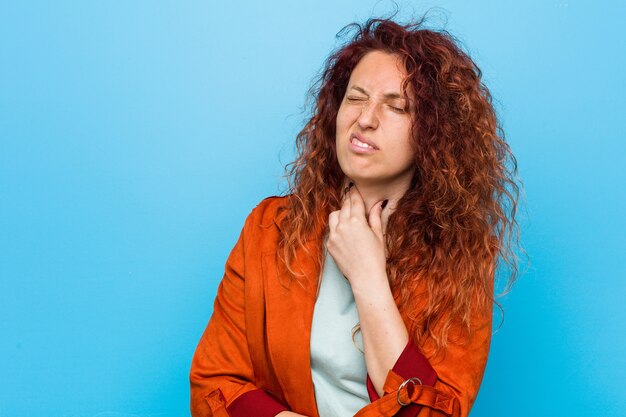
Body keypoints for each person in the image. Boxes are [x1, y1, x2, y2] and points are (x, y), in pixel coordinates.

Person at [190, 15, 520, 417]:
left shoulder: (461, 258)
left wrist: (368, 276)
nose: (366, 119)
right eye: (356, 97)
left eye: (397, 107)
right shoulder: (268, 228)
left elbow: (434, 413)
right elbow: (214, 384)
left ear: (434, 134)